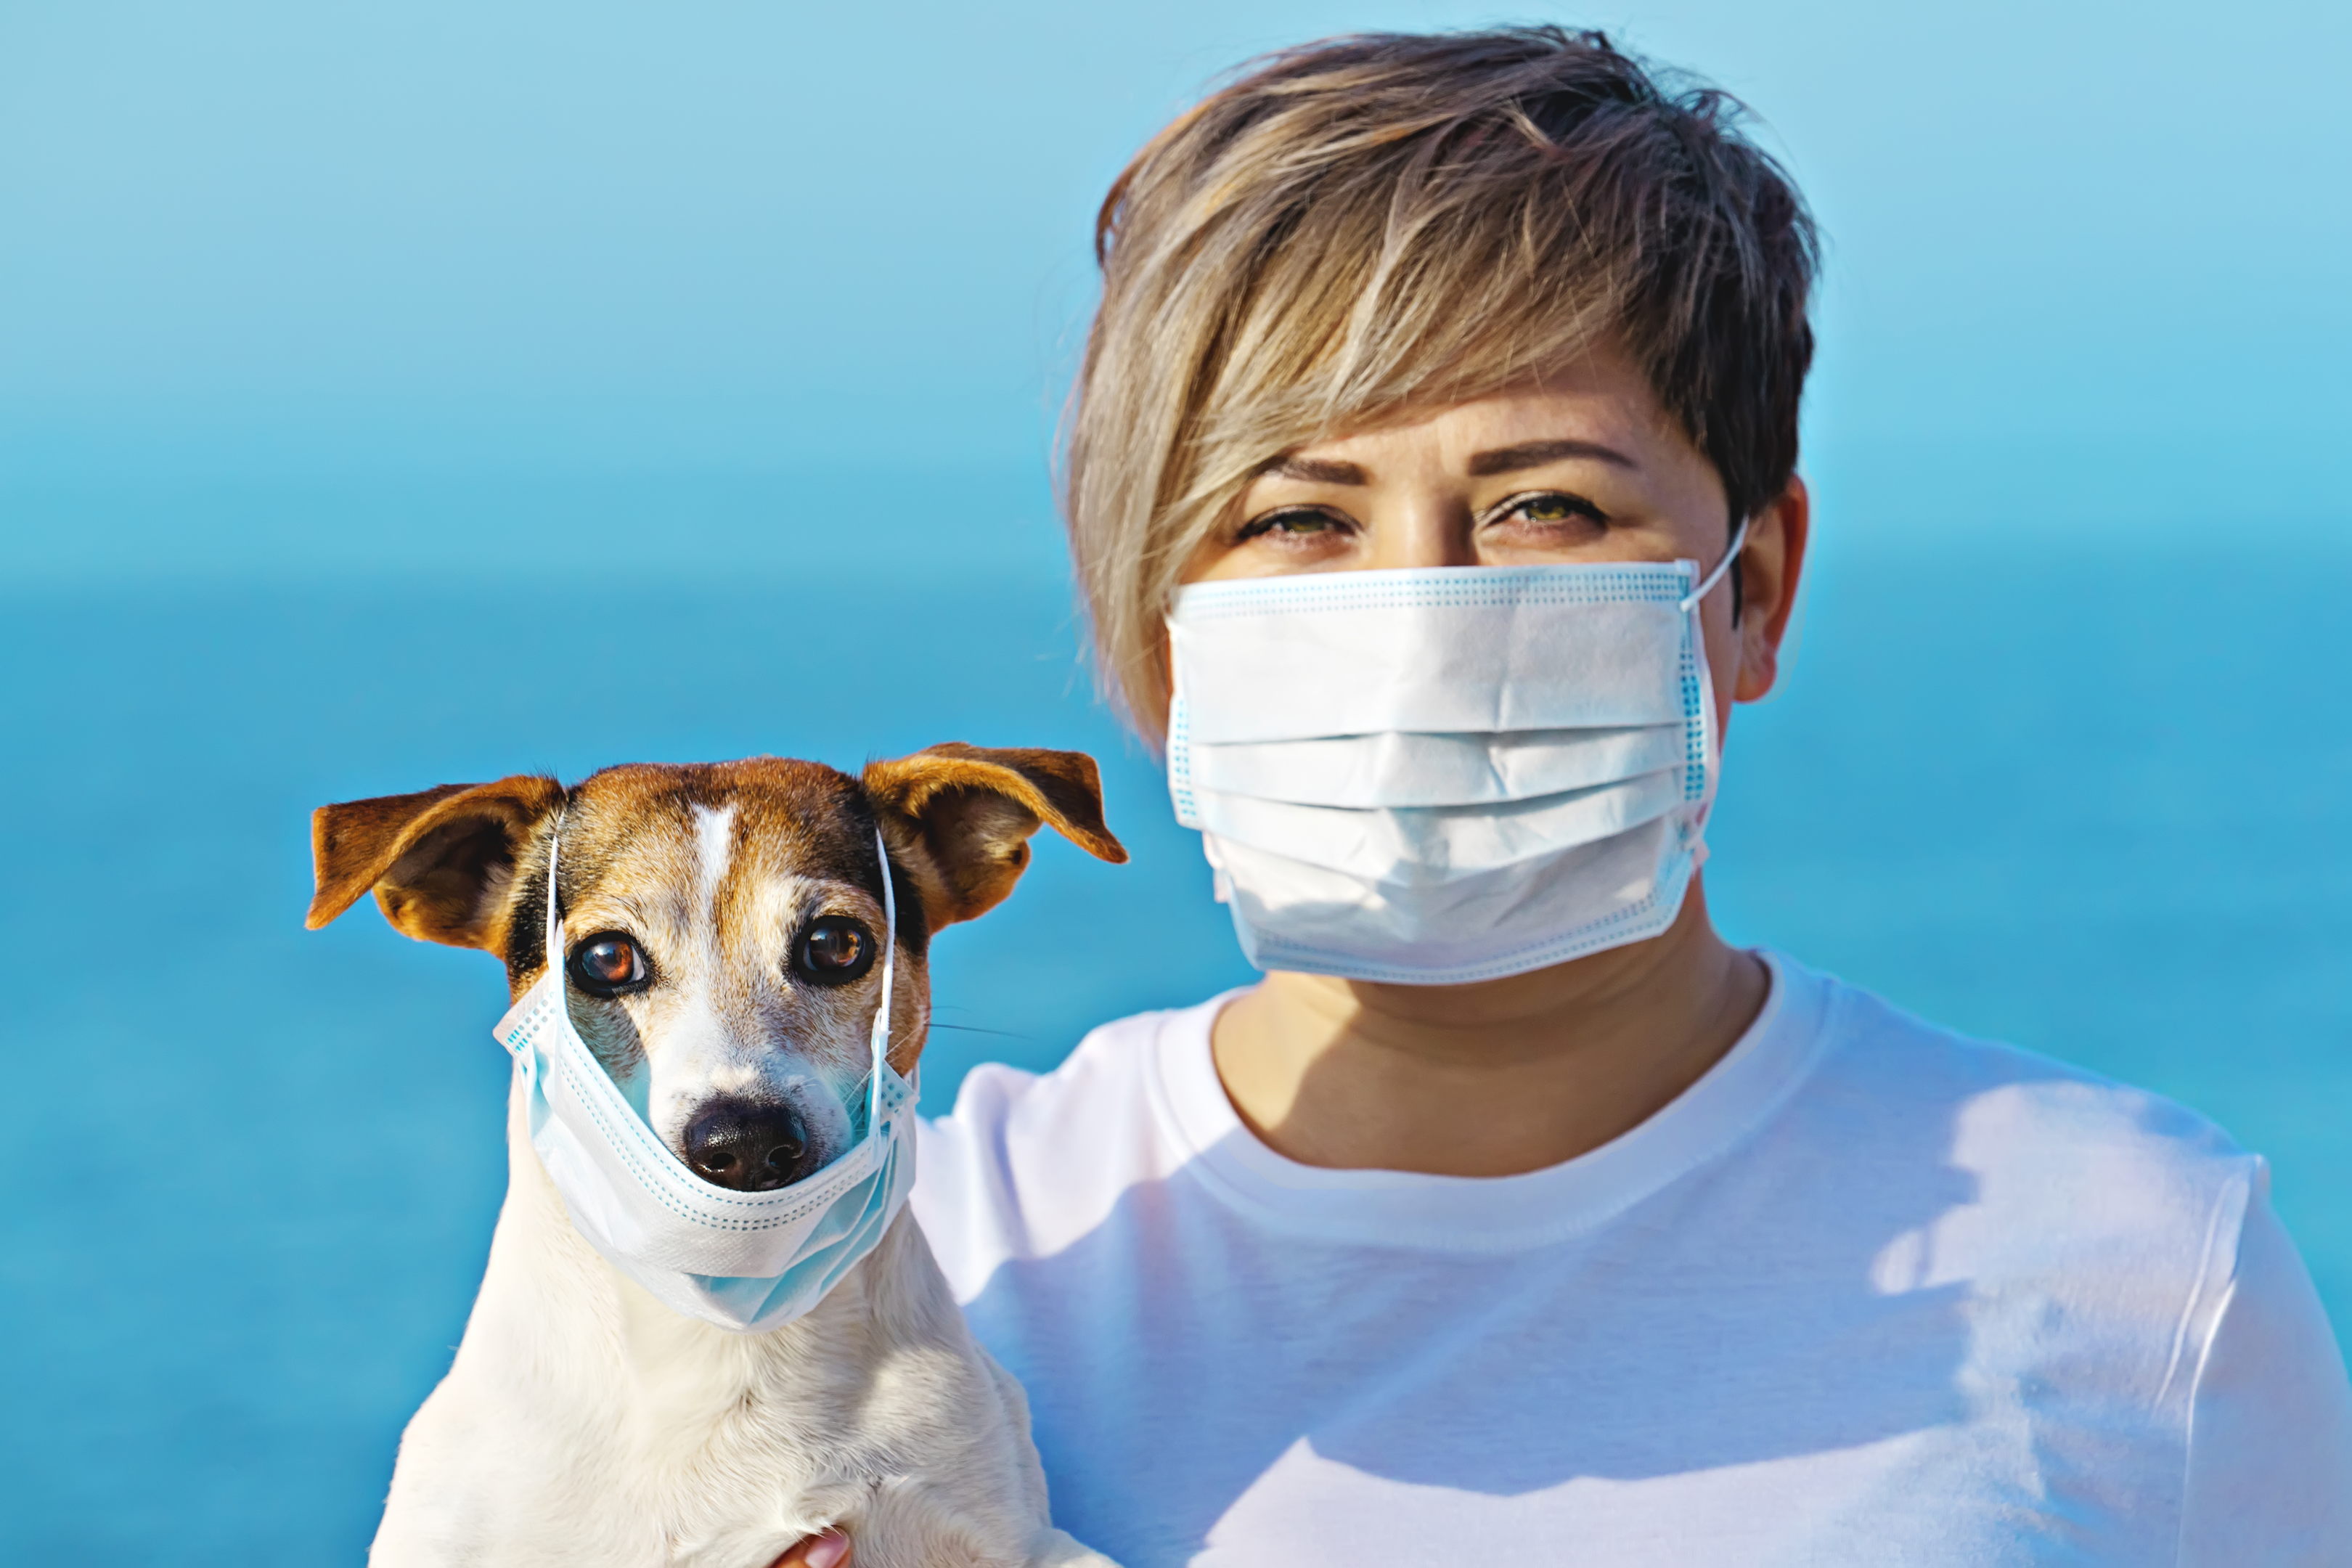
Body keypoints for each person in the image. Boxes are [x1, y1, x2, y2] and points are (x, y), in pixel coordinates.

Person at [779, 26, 2352, 1567]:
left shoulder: (2142, 1266)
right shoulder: (892, 1253)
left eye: (1546, 503)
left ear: (1757, 591)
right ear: (1155, 627)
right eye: (1298, 520)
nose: (1418, 621)